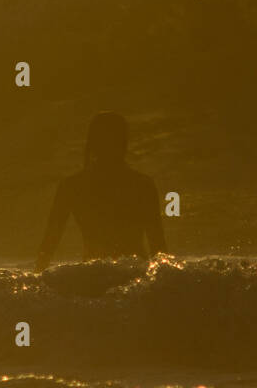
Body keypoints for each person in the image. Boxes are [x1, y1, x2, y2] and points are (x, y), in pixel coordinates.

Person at [35, 112, 166, 270]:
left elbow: (48, 246)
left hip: (92, 277)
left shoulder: (72, 186)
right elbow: (159, 248)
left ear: (92, 143)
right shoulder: (142, 184)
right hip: (135, 275)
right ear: (124, 143)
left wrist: (35, 284)